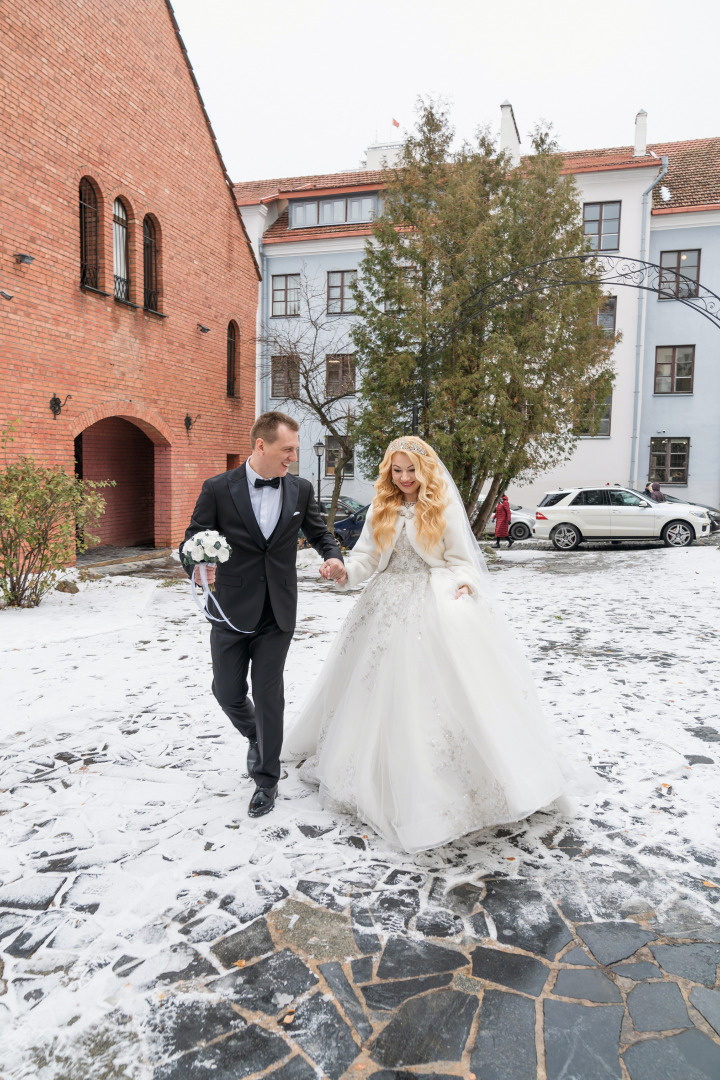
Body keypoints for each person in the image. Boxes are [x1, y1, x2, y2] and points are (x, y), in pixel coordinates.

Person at [284, 436, 585, 853]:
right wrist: (342, 570)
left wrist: (462, 584)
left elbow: (463, 562)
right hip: (385, 605)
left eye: (411, 470)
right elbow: (367, 559)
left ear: (425, 470)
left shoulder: (441, 508)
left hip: (434, 605)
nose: (404, 478)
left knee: (439, 691)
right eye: (397, 470)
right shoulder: (381, 508)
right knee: (377, 688)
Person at [184, 411, 344, 819]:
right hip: (230, 610)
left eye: (295, 449)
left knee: (269, 694)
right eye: (287, 449)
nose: (294, 457)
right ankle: (257, 736)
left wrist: (333, 557)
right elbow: (193, 539)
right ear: (261, 445)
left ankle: (267, 780)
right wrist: (199, 566)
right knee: (227, 691)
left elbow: (320, 532)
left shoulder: (301, 489)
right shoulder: (218, 488)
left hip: (278, 610)